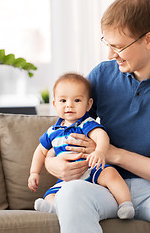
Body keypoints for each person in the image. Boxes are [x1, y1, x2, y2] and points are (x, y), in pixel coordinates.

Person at [44, 0, 150, 233]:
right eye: (108, 44)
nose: (110, 55)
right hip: (103, 185)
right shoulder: (102, 75)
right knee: (70, 193)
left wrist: (114, 154)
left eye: (119, 47)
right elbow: (62, 132)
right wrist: (51, 162)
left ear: (148, 39)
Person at [28, 73, 135, 219]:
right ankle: (54, 207)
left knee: (111, 175)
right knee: (50, 194)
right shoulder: (52, 131)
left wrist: (99, 152)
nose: (69, 105)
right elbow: (40, 151)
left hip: (92, 169)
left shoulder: (85, 123)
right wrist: (34, 172)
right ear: (55, 104)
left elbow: (101, 136)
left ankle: (125, 204)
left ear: (88, 104)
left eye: (77, 100)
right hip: (67, 178)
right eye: (63, 100)